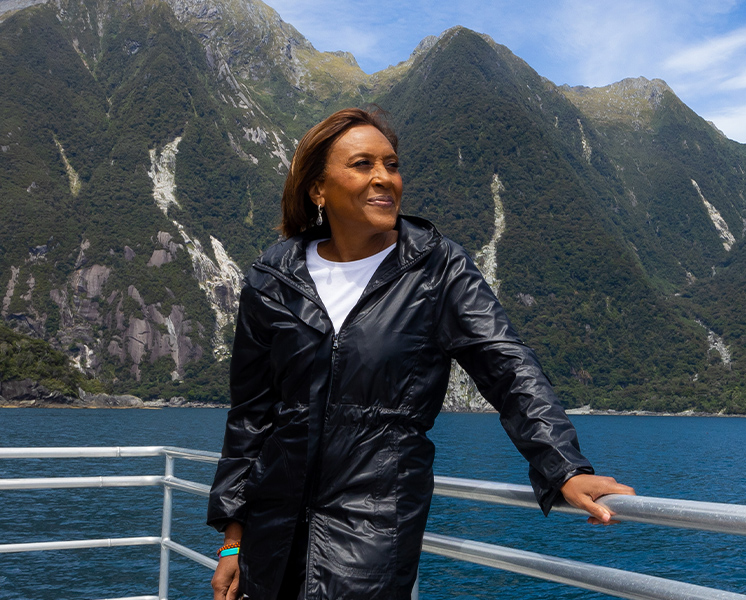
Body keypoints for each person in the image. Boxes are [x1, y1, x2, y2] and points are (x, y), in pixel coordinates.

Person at [207, 107, 634, 600]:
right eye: (363, 164)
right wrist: (232, 542)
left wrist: (565, 466)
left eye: (391, 164)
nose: (384, 178)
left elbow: (508, 366)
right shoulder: (272, 277)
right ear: (317, 189)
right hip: (271, 528)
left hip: (374, 522)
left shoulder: (437, 268)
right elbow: (251, 417)